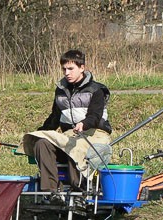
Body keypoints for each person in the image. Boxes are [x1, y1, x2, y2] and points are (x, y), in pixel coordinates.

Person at [17, 49, 112, 204]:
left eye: (71, 69)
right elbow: (54, 118)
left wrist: (84, 124)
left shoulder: (97, 90)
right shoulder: (60, 90)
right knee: (42, 143)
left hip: (95, 134)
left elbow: (95, 116)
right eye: (64, 69)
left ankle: (79, 191)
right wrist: (39, 133)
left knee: (73, 145)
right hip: (70, 134)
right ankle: (51, 192)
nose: (67, 73)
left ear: (82, 68)